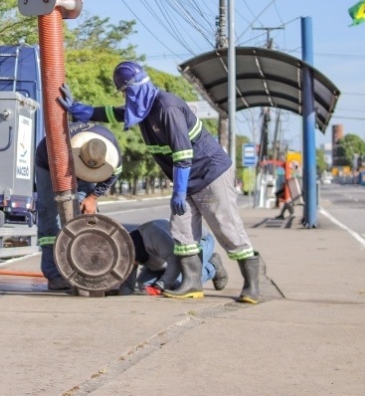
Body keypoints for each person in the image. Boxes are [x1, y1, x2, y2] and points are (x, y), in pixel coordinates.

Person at [58, 61, 262, 303]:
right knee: (182, 229)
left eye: (126, 92)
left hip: (209, 174)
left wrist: (179, 191)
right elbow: (117, 113)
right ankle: (192, 283)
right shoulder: (144, 109)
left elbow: (183, 153)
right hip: (187, 178)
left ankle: (252, 285)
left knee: (225, 227)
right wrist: (84, 110)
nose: (126, 97)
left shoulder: (166, 107)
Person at [35, 121, 123, 290]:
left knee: (87, 216)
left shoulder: (111, 153)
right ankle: (54, 275)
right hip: (50, 164)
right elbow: (64, 198)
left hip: (81, 161)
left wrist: (92, 197)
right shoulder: (58, 149)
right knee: (51, 216)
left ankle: (89, 269)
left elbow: (114, 175)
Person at [119, 219, 228, 295]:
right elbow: (128, 285)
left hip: (197, 242)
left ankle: (213, 266)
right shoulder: (130, 246)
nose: (133, 265)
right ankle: (168, 280)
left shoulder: (156, 236)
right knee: (144, 286)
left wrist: (161, 285)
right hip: (167, 257)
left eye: (134, 263)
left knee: (181, 283)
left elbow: (175, 262)